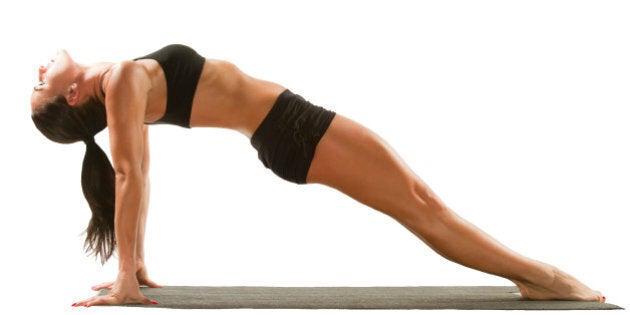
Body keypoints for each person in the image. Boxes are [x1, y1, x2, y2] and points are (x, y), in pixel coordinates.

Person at [30, 44, 604, 307]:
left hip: (290, 130)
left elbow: (138, 174)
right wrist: (126, 279)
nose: (37, 70)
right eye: (40, 86)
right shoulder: (124, 79)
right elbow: (130, 175)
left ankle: (536, 276)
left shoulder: (121, 88)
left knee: (420, 202)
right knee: (422, 206)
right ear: (72, 95)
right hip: (294, 130)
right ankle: (544, 277)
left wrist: (137, 264)